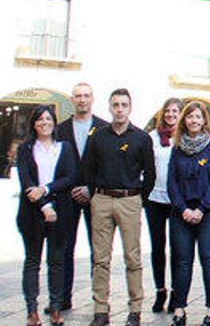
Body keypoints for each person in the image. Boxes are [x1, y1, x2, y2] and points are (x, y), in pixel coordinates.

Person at [83, 88, 156, 326]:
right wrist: (95, 195)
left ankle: (135, 309)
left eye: (124, 105)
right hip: (102, 199)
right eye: (116, 105)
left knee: (132, 258)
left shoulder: (141, 138)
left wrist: (138, 198)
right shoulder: (98, 136)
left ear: (130, 108)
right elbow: (88, 169)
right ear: (110, 107)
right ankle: (100, 310)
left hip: (130, 199)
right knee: (100, 259)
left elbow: (151, 174)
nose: (120, 109)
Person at [17, 105, 77, 326]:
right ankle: (31, 311)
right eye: (40, 119)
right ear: (33, 123)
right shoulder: (26, 148)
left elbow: (70, 177)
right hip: (32, 212)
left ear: (54, 122)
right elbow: (26, 181)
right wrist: (44, 205)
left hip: (60, 211)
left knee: (57, 262)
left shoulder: (65, 147)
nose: (45, 123)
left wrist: (46, 189)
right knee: (32, 261)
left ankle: (55, 307)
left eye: (48, 119)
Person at [167, 101, 210, 326]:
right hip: (181, 213)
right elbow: (171, 182)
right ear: (184, 120)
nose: (194, 120)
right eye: (189, 116)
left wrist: (200, 209)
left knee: (207, 258)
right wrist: (183, 209)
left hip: (208, 212)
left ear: (204, 121)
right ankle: (179, 310)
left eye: (198, 117)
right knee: (182, 261)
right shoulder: (177, 147)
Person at [57, 82, 108, 312]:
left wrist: (90, 187)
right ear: (72, 100)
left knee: (97, 250)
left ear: (93, 99)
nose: (82, 100)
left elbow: (107, 165)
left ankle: (99, 300)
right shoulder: (61, 130)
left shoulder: (104, 128)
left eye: (86, 95)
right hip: (67, 196)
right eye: (78, 96)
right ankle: (62, 297)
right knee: (65, 247)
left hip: (95, 196)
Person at [145, 97, 183, 313]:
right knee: (157, 248)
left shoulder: (185, 138)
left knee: (179, 249)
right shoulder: (152, 138)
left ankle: (177, 294)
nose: (170, 115)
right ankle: (160, 291)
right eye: (167, 111)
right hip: (155, 199)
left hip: (178, 201)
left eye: (175, 111)